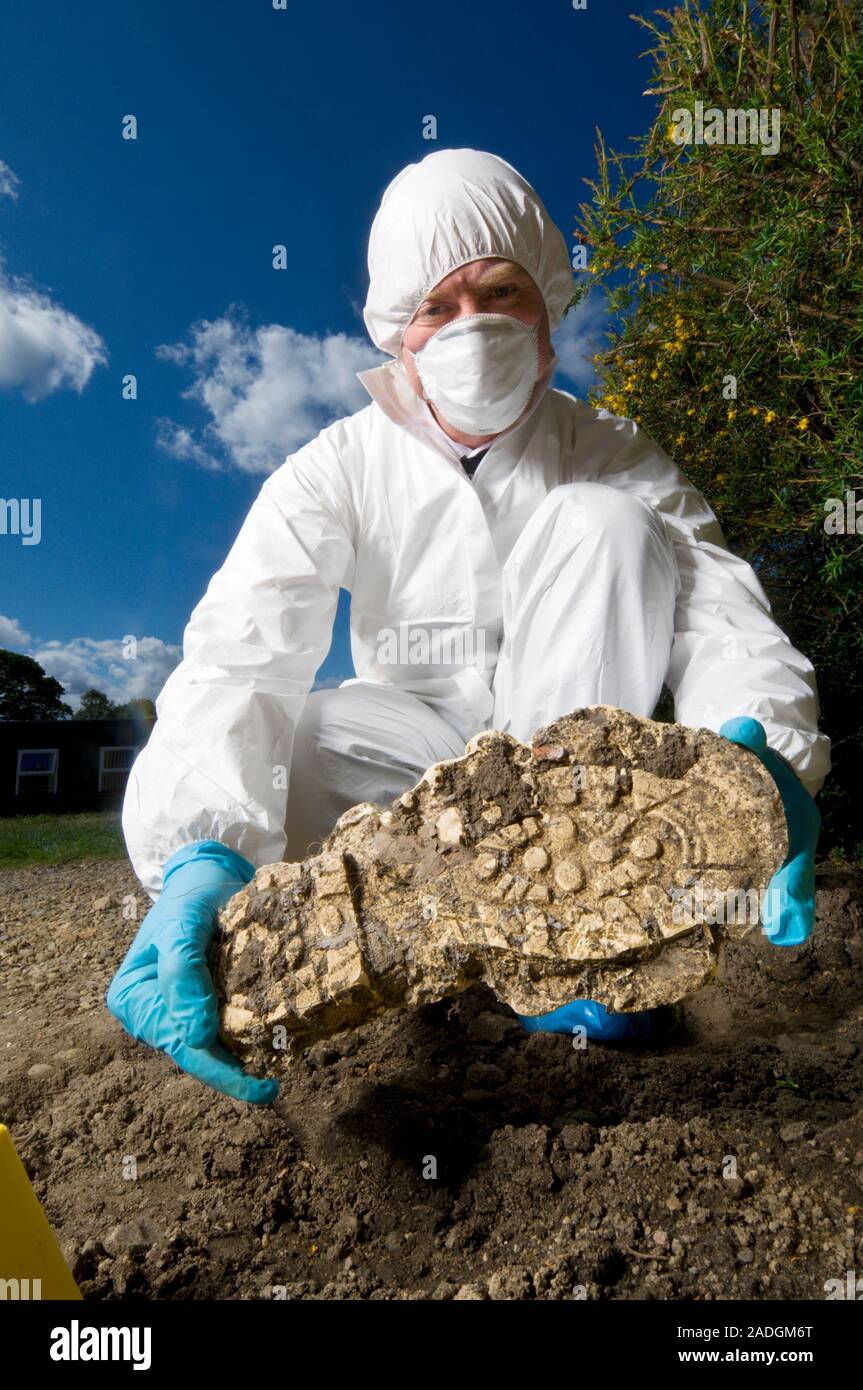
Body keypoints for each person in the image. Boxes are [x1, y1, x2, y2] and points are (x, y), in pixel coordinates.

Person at [107, 149, 830, 1104]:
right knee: (314, 731)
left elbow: (717, 611)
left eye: (500, 293)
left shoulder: (612, 452)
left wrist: (766, 756)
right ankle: (398, 946)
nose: (471, 326)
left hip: (578, 790)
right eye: (438, 308)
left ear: (549, 309)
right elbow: (244, 643)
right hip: (416, 778)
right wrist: (195, 848)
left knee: (607, 524)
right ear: (395, 332)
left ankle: (581, 951)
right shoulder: (336, 467)